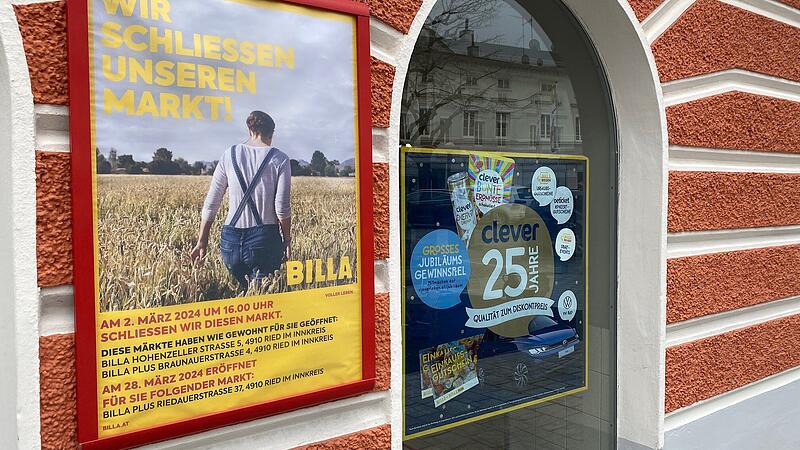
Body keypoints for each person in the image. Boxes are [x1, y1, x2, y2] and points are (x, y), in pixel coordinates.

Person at [190, 111, 291, 290]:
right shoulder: (280, 159)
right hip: (264, 241)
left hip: (230, 242)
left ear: (249, 130)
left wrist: (202, 241)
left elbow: (212, 202)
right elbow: (281, 208)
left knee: (243, 299)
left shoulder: (229, 154)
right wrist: (287, 240)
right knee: (262, 302)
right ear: (271, 133)